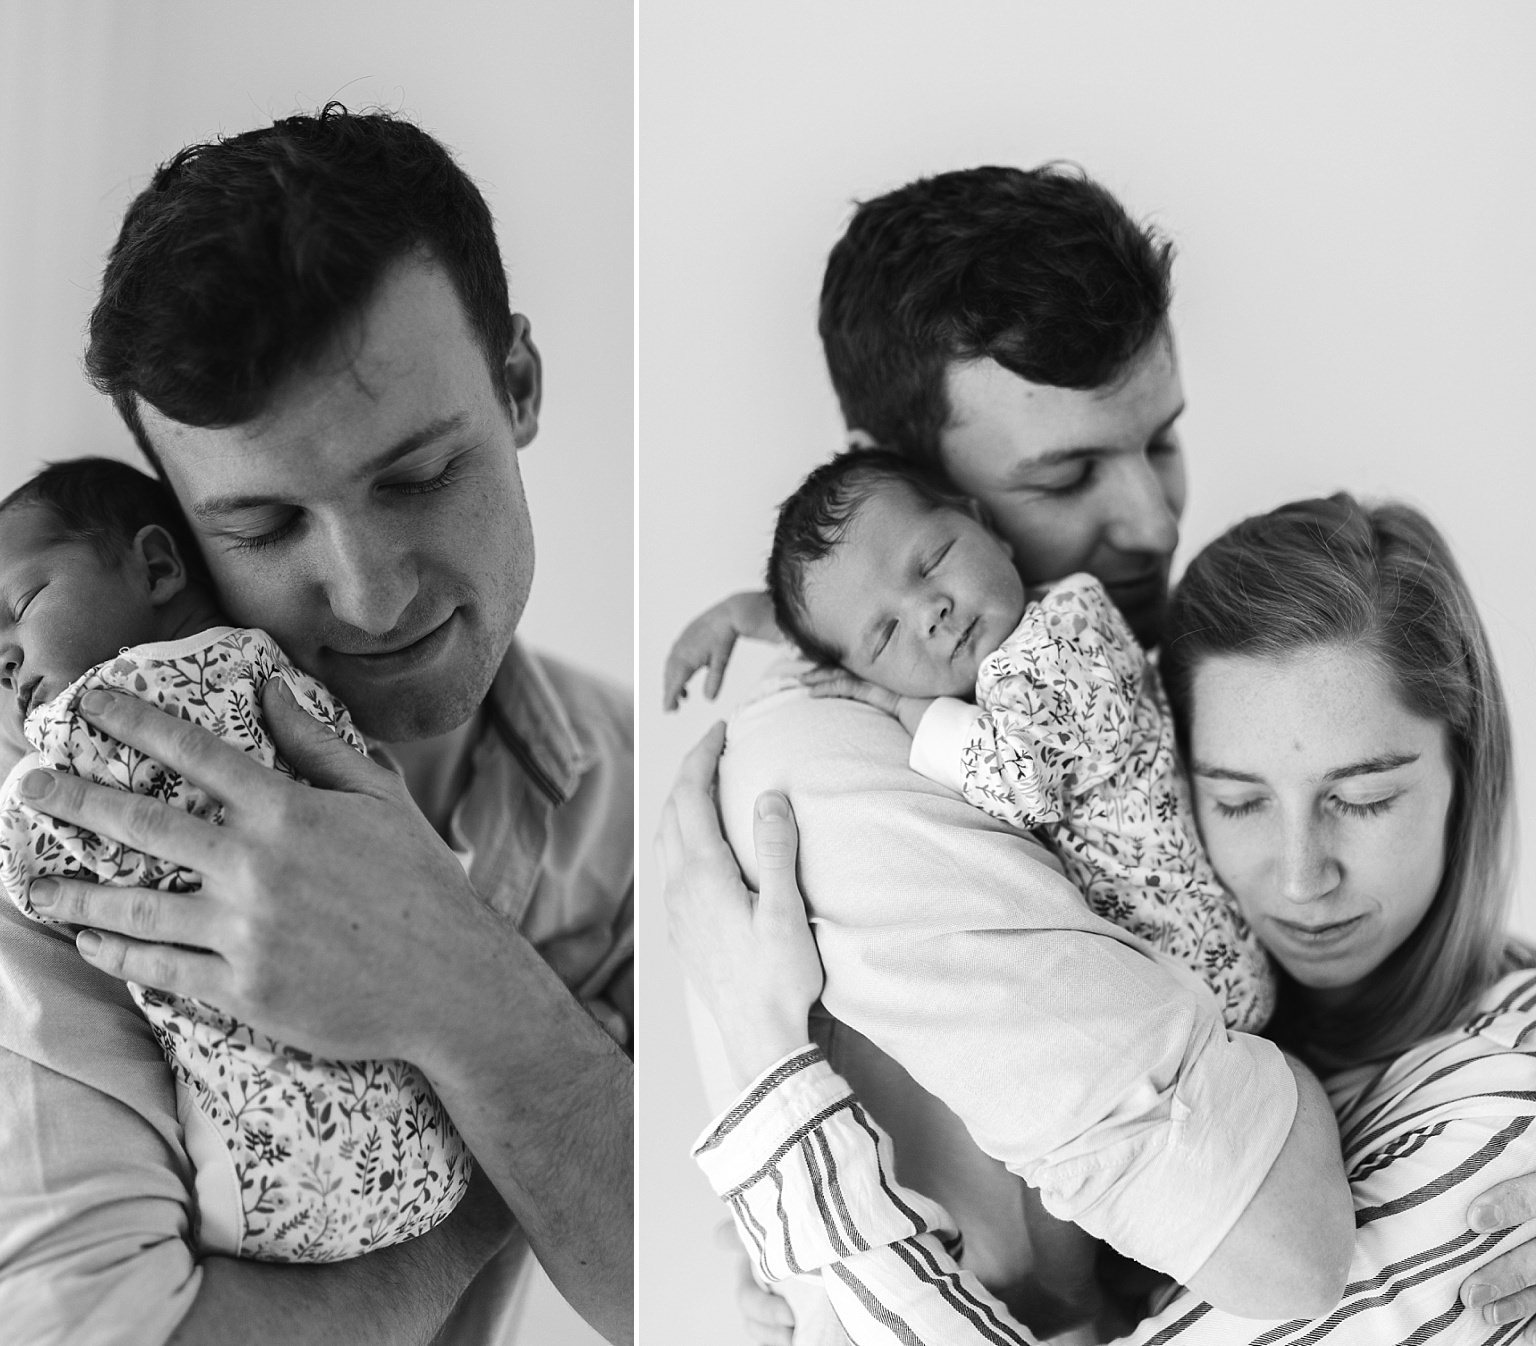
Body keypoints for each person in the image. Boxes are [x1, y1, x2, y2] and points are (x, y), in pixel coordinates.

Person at [656, 164, 1536, 1340]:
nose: (1157, 521)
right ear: (912, 484)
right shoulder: (836, 775)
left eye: (1161, 440)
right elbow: (1283, 1251)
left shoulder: (1140, 655)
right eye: (1066, 473)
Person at [0, 107, 632, 1346]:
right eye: (262, 528)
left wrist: (460, 981)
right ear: (171, 538)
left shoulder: (629, 783)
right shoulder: (46, 803)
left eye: (417, 476)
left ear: (517, 387)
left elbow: (728, 1285)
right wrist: (503, 1180)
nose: (370, 592)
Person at [0, 456, 471, 1266]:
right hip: (436, 1144)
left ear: (159, 566)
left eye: (20, 609)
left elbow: (29, 857)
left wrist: (20, 807)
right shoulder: (273, 663)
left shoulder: (107, 709)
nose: (7, 670)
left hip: (277, 1176)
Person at [763, 445, 1273, 1032]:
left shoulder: (1065, 631)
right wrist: (750, 617)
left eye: (932, 561)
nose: (929, 610)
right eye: (885, 634)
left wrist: (905, 705)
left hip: (1200, 964)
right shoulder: (1001, 658)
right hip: (1167, 966)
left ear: (987, 527)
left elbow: (1021, 780)